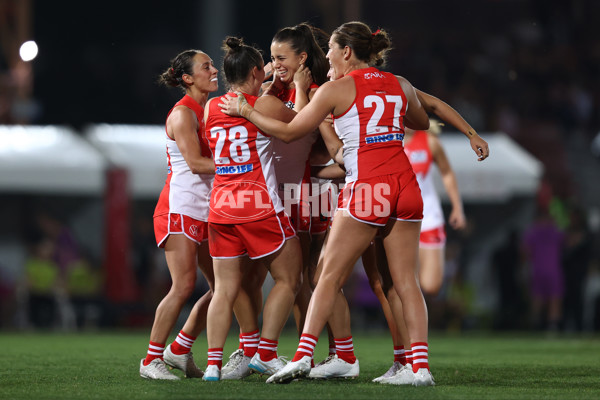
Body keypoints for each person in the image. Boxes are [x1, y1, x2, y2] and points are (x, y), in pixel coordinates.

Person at [219, 21, 489, 386]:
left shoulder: (335, 88)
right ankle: (419, 368)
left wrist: (246, 112)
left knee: (326, 275)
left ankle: (301, 357)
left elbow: (290, 131)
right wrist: (472, 134)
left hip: (368, 188)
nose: (325, 53)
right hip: (406, 186)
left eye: (330, 47)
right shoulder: (398, 83)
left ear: (347, 52)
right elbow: (428, 113)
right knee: (403, 281)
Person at [202, 36, 303, 382]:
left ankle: (213, 365)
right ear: (258, 71)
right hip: (258, 204)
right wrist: (296, 87)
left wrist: (266, 79)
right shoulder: (264, 106)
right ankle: (267, 353)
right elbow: (299, 121)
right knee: (289, 278)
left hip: (220, 207)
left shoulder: (211, 108)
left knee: (225, 287)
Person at [139, 49, 218, 380]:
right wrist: (243, 165)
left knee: (223, 287)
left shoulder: (207, 110)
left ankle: (180, 348)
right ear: (187, 78)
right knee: (183, 285)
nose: (214, 70)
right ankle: (150, 360)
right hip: (180, 206)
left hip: (204, 207)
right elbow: (198, 164)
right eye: (206, 67)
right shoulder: (184, 114)